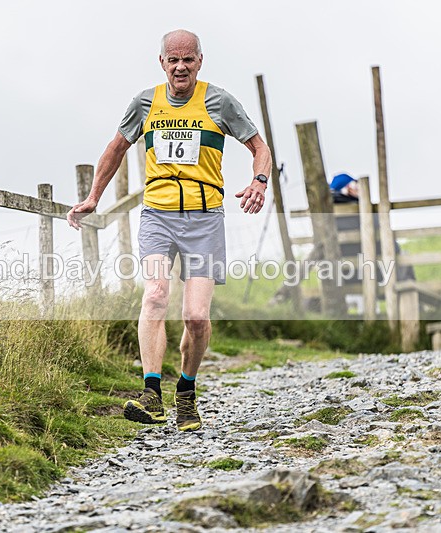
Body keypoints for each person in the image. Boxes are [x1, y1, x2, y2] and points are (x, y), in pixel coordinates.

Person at [67, 29, 271, 431]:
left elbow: (260, 147)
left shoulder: (219, 101)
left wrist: (259, 182)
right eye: (173, 60)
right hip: (158, 216)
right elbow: (115, 149)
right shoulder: (145, 103)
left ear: (200, 61)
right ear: (161, 62)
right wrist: (94, 197)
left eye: (188, 60)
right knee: (156, 295)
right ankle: (151, 393)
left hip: (204, 217)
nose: (181, 67)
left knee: (196, 316)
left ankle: (187, 393)